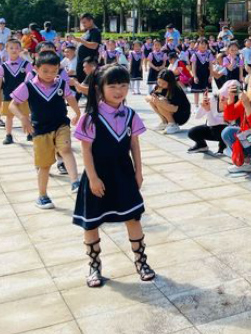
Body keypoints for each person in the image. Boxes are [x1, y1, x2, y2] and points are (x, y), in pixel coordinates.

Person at [71, 65, 154, 287]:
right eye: (113, 86)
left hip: (124, 174)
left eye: (124, 85)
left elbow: (134, 144)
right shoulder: (90, 117)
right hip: (97, 175)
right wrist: (94, 178)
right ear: (100, 87)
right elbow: (86, 150)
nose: (119, 91)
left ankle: (141, 261)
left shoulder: (130, 114)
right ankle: (94, 267)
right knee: (91, 223)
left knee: (133, 217)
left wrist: (139, 172)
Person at [10, 51, 81, 208]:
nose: (50, 75)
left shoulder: (61, 84)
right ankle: (42, 196)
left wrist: (78, 112)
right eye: (45, 71)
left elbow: (70, 98)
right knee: (44, 165)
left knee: (66, 148)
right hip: (40, 130)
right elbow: (12, 104)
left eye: (54, 71)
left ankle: (75, 181)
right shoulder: (28, 86)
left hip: (61, 124)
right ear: (36, 68)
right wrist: (23, 118)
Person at [187, 81, 236, 154]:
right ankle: (202, 145)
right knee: (192, 132)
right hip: (212, 129)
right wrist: (203, 105)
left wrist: (208, 110)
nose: (222, 98)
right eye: (221, 94)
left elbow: (213, 123)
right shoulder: (213, 99)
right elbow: (197, 116)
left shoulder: (234, 106)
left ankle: (223, 147)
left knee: (223, 129)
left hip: (224, 132)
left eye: (226, 97)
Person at [1, 38, 33, 144]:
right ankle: (8, 135)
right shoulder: (3, 66)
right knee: (9, 116)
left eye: (17, 48)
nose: (14, 50)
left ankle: (29, 133)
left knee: (26, 114)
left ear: (20, 49)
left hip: (24, 95)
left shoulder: (26, 64)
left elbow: (31, 80)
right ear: (6, 49)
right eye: (11, 48)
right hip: (8, 94)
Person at [145, 70, 191, 134]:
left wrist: (160, 102)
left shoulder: (176, 89)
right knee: (153, 101)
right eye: (159, 82)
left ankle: (172, 124)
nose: (161, 85)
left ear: (170, 82)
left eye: (164, 83)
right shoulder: (158, 86)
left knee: (160, 100)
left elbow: (175, 109)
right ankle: (165, 122)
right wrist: (152, 98)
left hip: (181, 114)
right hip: (171, 110)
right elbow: (147, 97)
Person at [76, 13, 102, 86]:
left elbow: (94, 45)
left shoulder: (95, 32)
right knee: (82, 83)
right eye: (82, 23)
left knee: (87, 84)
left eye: (84, 22)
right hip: (82, 62)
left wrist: (81, 41)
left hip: (89, 62)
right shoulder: (88, 31)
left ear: (91, 21)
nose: (83, 25)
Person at [189, 38, 213, 107]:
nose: (204, 45)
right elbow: (193, 67)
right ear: (198, 45)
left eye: (205, 44)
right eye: (201, 44)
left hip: (206, 74)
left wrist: (210, 75)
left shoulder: (209, 54)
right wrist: (195, 76)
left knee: (205, 90)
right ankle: (196, 105)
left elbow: (211, 66)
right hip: (198, 74)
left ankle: (205, 103)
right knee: (196, 91)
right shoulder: (195, 55)